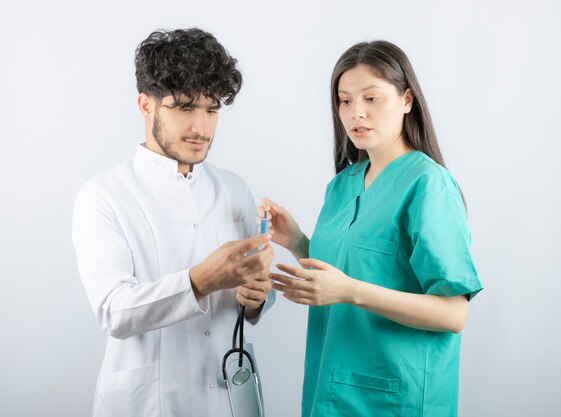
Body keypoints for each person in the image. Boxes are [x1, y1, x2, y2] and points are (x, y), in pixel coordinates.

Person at [262, 40, 483, 417]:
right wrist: (298, 242)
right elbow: (351, 271)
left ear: (407, 100)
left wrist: (349, 292)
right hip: (329, 388)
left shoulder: (428, 184)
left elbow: (452, 314)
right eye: (345, 101)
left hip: (397, 397)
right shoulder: (343, 184)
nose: (355, 113)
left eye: (371, 98)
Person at [72, 28, 274, 417]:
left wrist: (258, 298)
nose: (201, 127)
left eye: (212, 109)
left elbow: (253, 298)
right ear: (146, 105)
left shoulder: (234, 189)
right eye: (183, 107)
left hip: (228, 397)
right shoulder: (104, 196)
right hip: (148, 403)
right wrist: (200, 280)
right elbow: (113, 310)